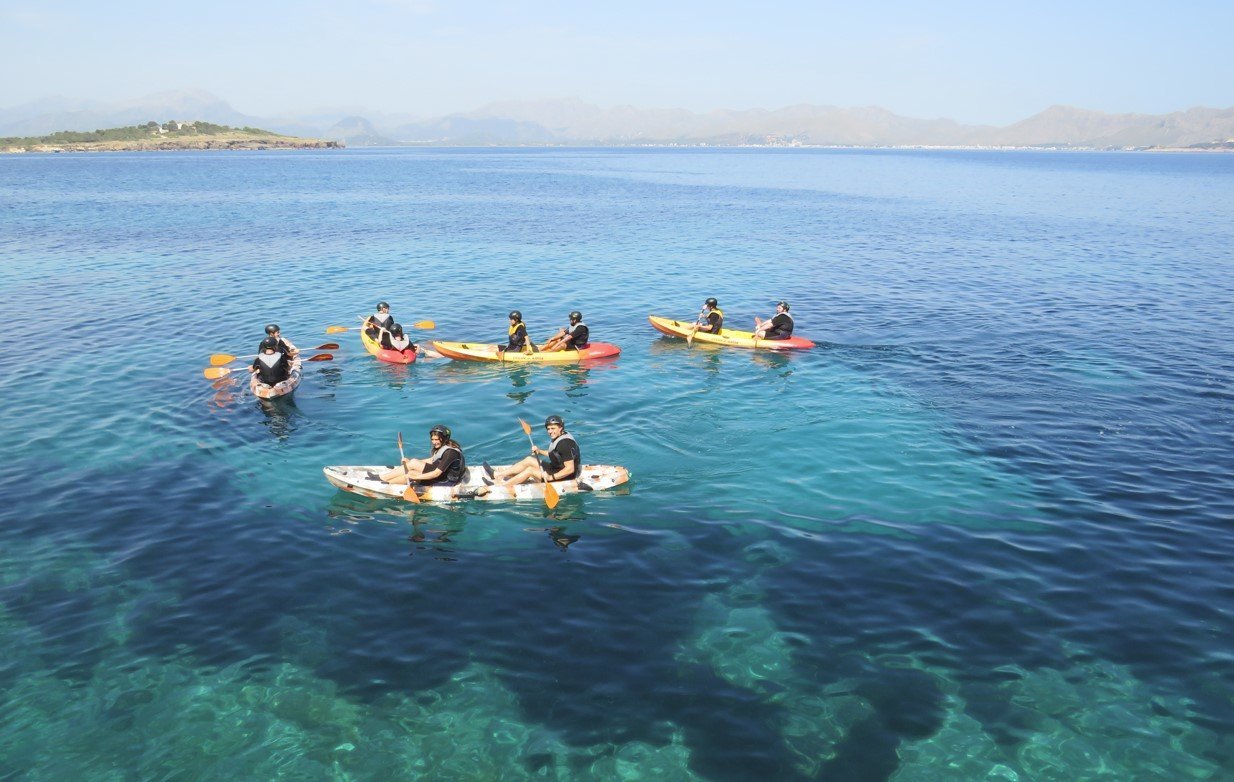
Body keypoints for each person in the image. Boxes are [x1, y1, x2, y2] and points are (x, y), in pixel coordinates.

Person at [488, 415, 580, 487]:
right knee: (529, 459)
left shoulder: (565, 444)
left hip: (565, 477)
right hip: (556, 468)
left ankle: (501, 486)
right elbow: (556, 455)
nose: (550, 431)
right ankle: (498, 475)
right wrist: (539, 451)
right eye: (548, 429)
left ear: (560, 428)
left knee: (530, 470)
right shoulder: (561, 436)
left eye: (553, 428)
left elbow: (570, 469)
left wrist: (550, 477)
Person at [380, 425, 466, 486]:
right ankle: (385, 479)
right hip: (442, 473)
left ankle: (386, 484)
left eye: (437, 439)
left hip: (446, 480)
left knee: (411, 473)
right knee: (413, 462)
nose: (434, 442)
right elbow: (432, 460)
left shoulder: (450, 452)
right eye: (432, 439)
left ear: (444, 438)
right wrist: (409, 463)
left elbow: (436, 474)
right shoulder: (444, 446)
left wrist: (415, 477)